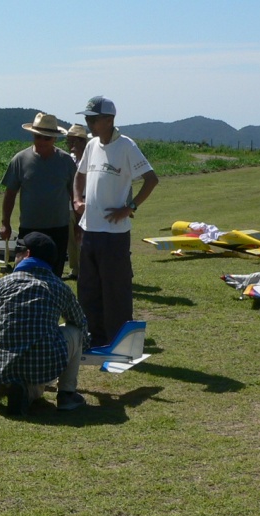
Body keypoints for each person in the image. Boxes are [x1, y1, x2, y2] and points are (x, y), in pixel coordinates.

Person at [0, 232, 90, 415]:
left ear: (27, 254)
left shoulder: (2, 284)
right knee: (75, 331)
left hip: (0, 367)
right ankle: (66, 395)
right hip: (41, 366)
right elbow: (80, 322)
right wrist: (85, 344)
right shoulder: (60, 287)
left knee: (2, 377)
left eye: (17, 250)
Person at [73, 96, 159, 347]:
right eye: (87, 119)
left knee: (115, 290)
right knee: (88, 289)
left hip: (114, 234)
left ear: (109, 120)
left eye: (93, 119)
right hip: (89, 229)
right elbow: (79, 175)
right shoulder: (91, 145)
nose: (89, 124)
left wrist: (130, 207)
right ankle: (94, 338)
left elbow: (151, 179)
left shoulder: (126, 146)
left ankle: (120, 342)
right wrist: (77, 200)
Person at [0, 113, 76, 278]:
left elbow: (75, 195)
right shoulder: (20, 160)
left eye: (46, 138)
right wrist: (5, 223)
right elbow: (10, 193)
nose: (41, 141)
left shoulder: (66, 161)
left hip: (58, 229)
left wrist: (78, 224)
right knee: (23, 274)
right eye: (37, 136)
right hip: (29, 229)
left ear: (54, 139)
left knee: (54, 275)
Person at [65, 123, 89, 279]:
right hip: (69, 203)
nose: (70, 144)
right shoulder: (70, 159)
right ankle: (74, 269)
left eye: (74, 141)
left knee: (84, 237)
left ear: (82, 142)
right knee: (71, 238)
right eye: (69, 141)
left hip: (85, 202)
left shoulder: (90, 158)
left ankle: (86, 268)